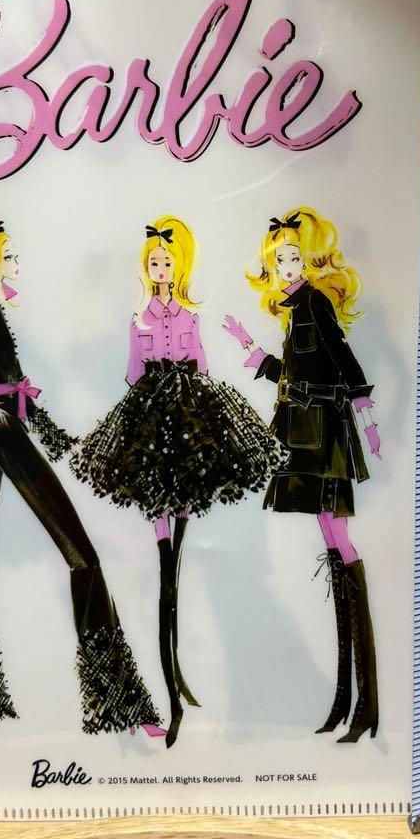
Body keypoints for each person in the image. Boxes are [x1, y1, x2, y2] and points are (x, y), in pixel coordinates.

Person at [0, 217, 163, 738]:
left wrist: (59, 439)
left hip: (1, 430)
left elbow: (14, 388)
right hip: (0, 433)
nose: (17, 265)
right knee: (82, 555)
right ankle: (121, 703)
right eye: (10, 257)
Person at [69, 216, 284, 747]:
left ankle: (177, 679)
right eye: (154, 263)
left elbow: (201, 363)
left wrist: (190, 396)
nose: (160, 269)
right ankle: (171, 686)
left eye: (167, 262)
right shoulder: (139, 317)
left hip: (190, 416)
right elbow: (132, 371)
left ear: (180, 265)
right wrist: (148, 402)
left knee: (180, 545)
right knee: (163, 547)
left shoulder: (189, 314)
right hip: (151, 420)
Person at [223, 207, 381, 743]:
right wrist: (248, 347)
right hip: (300, 429)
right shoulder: (295, 311)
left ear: (311, 259)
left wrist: (367, 417)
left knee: (341, 542)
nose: (286, 268)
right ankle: (346, 700)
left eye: (293, 257)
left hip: (322, 433)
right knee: (331, 542)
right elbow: (293, 375)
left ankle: (364, 704)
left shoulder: (314, 302)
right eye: (279, 261)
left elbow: (342, 358)